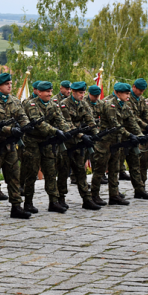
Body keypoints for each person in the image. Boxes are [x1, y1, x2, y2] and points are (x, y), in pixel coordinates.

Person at [0, 73, 32, 219]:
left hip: (9, 145)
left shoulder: (14, 101)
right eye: (6, 84)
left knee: (14, 176)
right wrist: (10, 130)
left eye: (10, 83)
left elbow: (22, 116)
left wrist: (25, 127)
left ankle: (16, 206)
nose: (9, 86)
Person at [89, 83, 144, 206]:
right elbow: (115, 125)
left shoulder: (125, 105)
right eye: (126, 93)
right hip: (105, 143)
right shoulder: (110, 105)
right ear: (118, 93)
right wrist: (130, 135)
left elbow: (132, 122)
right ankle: (94, 195)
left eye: (129, 93)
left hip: (116, 143)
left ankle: (114, 196)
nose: (128, 96)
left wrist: (140, 135)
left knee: (114, 170)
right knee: (99, 170)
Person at [21, 81, 68, 213]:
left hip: (47, 142)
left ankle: (53, 201)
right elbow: (38, 123)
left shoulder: (53, 105)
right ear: (39, 92)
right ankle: (28, 202)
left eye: (50, 91)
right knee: (31, 172)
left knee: (51, 172)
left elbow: (61, 121)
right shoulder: (31, 104)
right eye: (46, 91)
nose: (49, 94)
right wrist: (56, 131)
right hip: (32, 142)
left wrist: (67, 131)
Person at [56, 81, 102, 210]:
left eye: (83, 93)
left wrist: (96, 134)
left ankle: (86, 199)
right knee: (63, 172)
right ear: (73, 92)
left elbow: (90, 121)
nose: (82, 95)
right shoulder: (64, 105)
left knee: (81, 171)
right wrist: (82, 136)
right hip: (66, 144)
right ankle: (61, 198)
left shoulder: (84, 104)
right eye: (80, 93)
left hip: (78, 144)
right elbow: (68, 125)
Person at [125, 78, 148, 199]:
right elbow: (132, 118)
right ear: (134, 87)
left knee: (140, 162)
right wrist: (146, 127)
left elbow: (147, 114)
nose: (141, 93)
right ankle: (113, 193)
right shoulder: (127, 99)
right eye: (140, 90)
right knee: (116, 167)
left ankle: (140, 188)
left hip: (138, 135)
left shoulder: (141, 99)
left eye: (143, 91)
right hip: (127, 134)